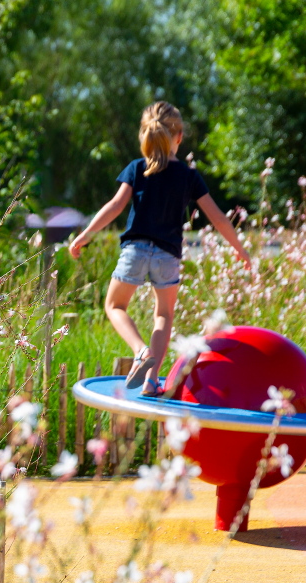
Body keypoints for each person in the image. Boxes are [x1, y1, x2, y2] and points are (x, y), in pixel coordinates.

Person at [68, 101, 251, 397]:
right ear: (179, 137)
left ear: (146, 133)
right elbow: (217, 217)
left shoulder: (137, 168)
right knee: (163, 315)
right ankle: (151, 382)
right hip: (168, 256)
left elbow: (115, 206)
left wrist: (85, 235)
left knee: (114, 306)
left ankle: (140, 351)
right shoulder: (189, 176)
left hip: (135, 250)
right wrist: (240, 249)